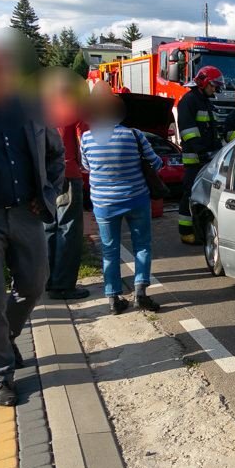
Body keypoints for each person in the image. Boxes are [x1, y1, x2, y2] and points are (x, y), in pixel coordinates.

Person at [0, 34, 65, 406]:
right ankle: (0, 374)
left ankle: (7, 339)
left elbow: (55, 154)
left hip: (25, 212)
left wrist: (46, 195)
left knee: (34, 285)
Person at [80, 81, 163, 315]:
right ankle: (140, 294)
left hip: (104, 204)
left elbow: (87, 165)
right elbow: (155, 163)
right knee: (142, 246)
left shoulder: (86, 139)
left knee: (109, 250)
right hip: (136, 199)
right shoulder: (134, 135)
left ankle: (113, 299)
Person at [41, 67, 90, 299]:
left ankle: (48, 281)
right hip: (68, 172)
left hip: (45, 175)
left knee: (49, 227)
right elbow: (84, 142)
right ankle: (63, 286)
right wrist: (88, 168)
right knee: (69, 229)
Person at [176, 66, 222, 244]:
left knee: (205, 196)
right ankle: (186, 232)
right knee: (189, 193)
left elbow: (212, 131)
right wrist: (201, 151)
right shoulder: (188, 101)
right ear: (202, 82)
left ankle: (201, 230)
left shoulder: (206, 101)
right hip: (194, 159)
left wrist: (218, 148)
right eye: (213, 85)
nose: (215, 89)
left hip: (207, 159)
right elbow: (188, 131)